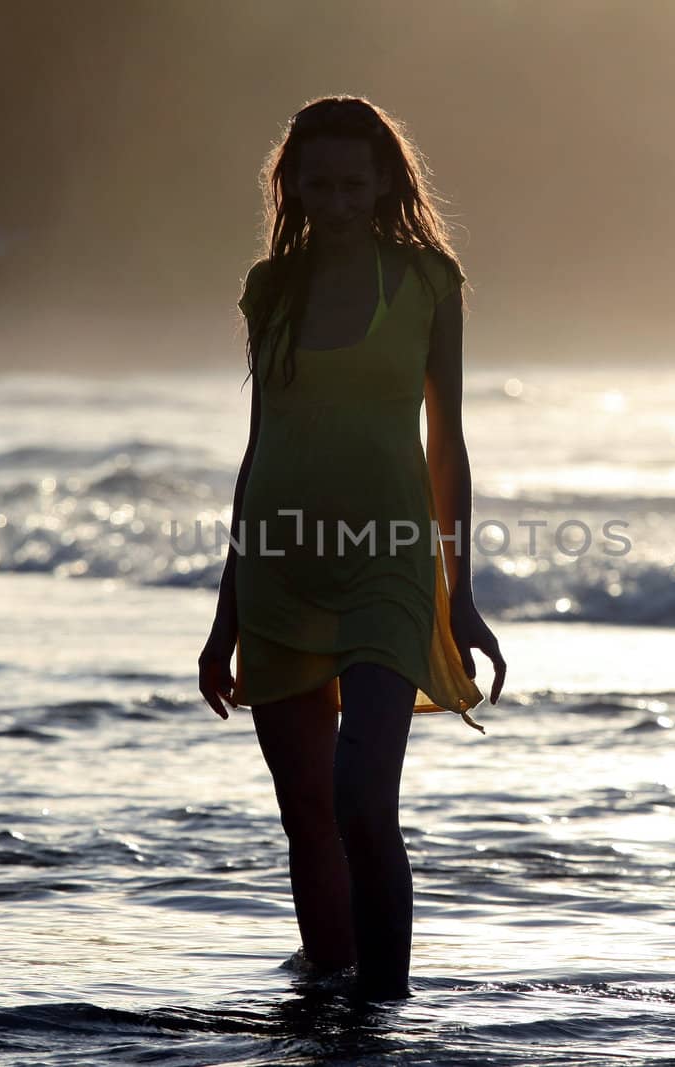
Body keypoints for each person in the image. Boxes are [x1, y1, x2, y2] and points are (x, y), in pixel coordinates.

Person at [197, 95, 507, 1002]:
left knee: (362, 800)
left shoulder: (425, 280)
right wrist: (225, 620)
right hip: (281, 569)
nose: (335, 198)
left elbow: (446, 442)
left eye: (352, 182)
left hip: (391, 562)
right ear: (291, 184)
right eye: (317, 180)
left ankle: (386, 1011)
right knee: (308, 820)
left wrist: (462, 592)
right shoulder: (271, 289)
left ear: (382, 185)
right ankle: (330, 1010)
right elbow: (260, 450)